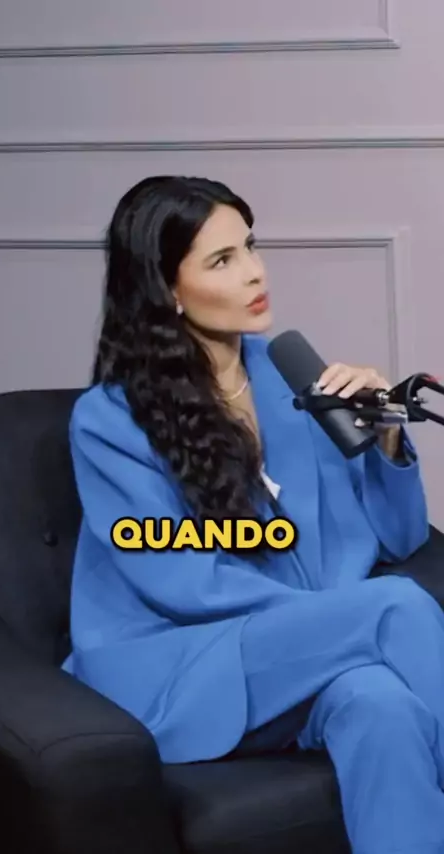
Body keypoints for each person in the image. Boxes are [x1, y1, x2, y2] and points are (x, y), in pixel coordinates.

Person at [62, 174, 444, 852]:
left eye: (250, 246)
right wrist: (335, 618)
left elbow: (402, 537)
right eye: (222, 260)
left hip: (311, 655)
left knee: (379, 705)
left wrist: (384, 433)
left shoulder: (291, 375)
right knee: (393, 606)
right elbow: (181, 581)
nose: (255, 271)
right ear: (168, 289)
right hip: (186, 660)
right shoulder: (110, 421)